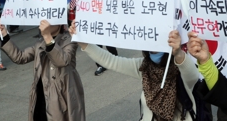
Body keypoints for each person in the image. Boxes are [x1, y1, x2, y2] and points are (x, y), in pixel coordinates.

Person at [68, 22, 199, 121]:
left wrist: (178, 54)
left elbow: (192, 76)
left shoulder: (180, 66)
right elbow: (110, 60)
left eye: (157, 36)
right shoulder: (143, 67)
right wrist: (82, 42)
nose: (152, 43)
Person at [0, 20, 85, 121]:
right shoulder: (40, 43)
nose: (44, 22)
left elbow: (62, 61)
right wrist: (5, 36)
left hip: (61, 97)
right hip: (41, 95)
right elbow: (20, 57)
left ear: (59, 22)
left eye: (49, 20)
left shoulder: (69, 40)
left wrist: (47, 37)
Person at [83, 0, 118, 76]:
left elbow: (114, 0)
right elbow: (82, 3)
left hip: (106, 18)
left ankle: (115, 60)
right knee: (97, 45)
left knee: (109, 42)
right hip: (93, 19)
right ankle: (100, 65)